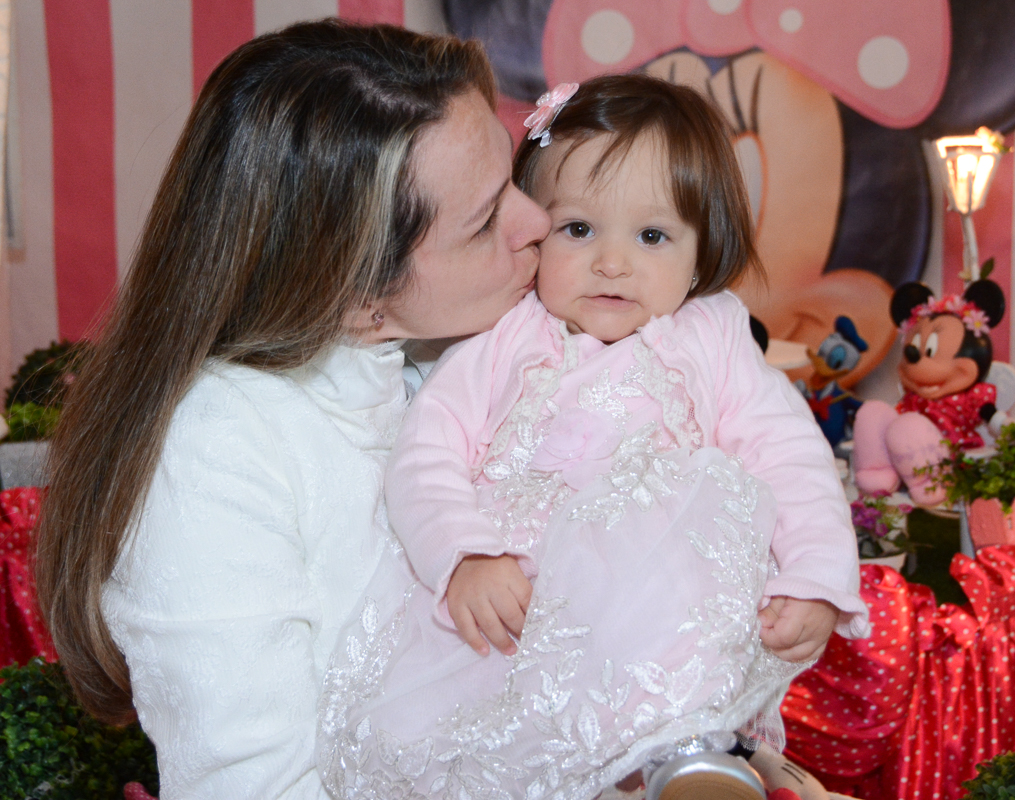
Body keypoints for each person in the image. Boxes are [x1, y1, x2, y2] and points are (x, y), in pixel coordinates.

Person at [34, 20, 550, 800]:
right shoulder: (213, 451)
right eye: (484, 222)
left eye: (514, 178)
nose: (536, 222)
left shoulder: (448, 353)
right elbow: (253, 785)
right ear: (357, 299)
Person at [318, 75, 869, 800]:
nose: (613, 263)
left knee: (701, 510)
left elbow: (792, 458)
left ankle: (689, 758)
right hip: (515, 597)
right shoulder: (503, 332)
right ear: (530, 232)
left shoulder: (713, 336)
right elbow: (426, 453)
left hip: (655, 606)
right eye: (578, 230)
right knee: (462, 722)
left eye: (651, 235)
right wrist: (463, 554)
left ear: (702, 253)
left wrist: (817, 576)